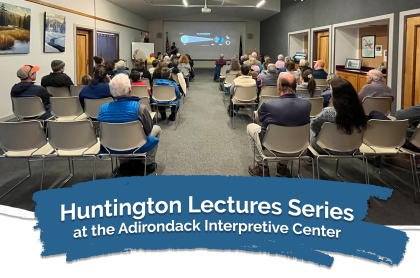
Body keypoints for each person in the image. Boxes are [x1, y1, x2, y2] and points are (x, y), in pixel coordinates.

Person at [247, 72, 311, 177]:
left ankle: (262, 168)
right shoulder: (307, 104)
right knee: (290, 131)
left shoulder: (269, 104)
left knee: (250, 127)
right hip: (299, 149)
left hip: (271, 149)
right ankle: (282, 167)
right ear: (296, 86)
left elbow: (257, 118)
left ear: (279, 86)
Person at [97, 74, 161, 175]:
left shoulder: (103, 109)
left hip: (112, 145)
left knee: (117, 133)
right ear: (130, 89)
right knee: (157, 129)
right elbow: (149, 130)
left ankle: (124, 163)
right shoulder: (140, 108)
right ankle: (148, 163)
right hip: (137, 144)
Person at [309, 78, 368, 157]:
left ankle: (309, 156)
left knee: (310, 125)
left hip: (326, 148)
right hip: (352, 148)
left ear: (335, 93)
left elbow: (314, 128)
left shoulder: (328, 112)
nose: (330, 92)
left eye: (330, 89)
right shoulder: (360, 112)